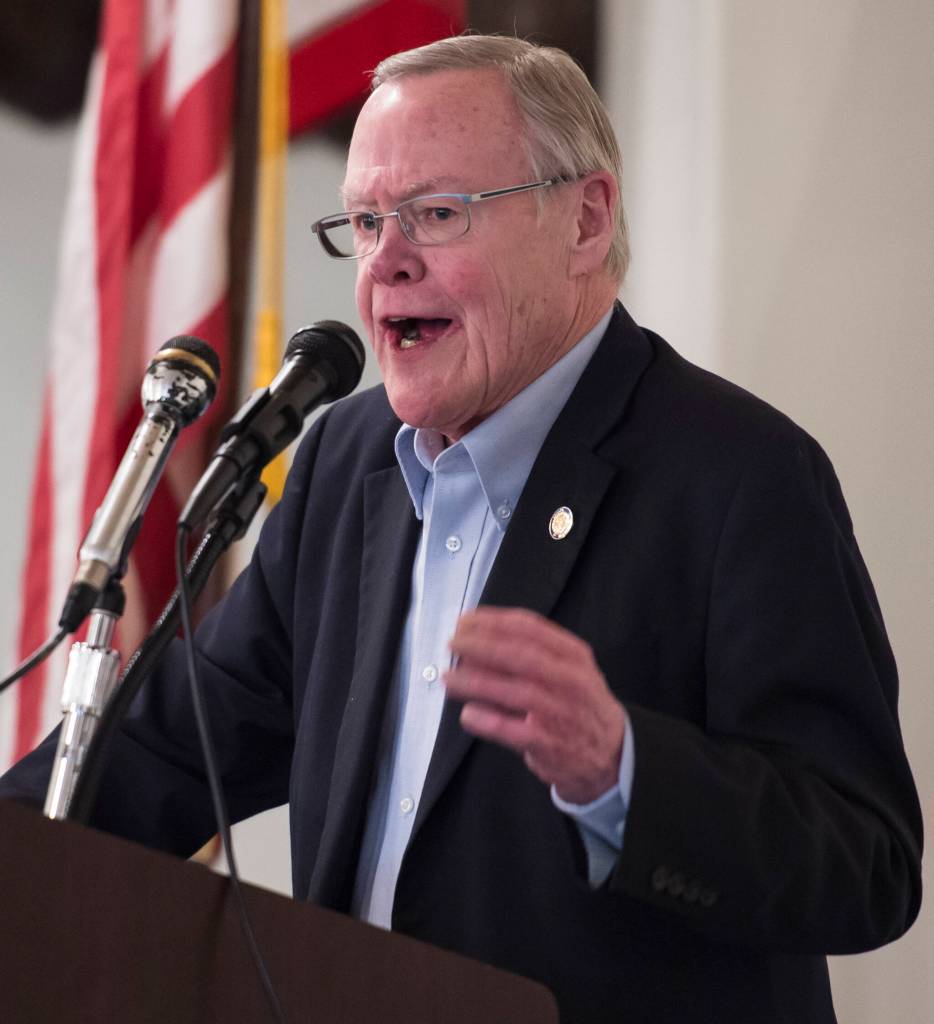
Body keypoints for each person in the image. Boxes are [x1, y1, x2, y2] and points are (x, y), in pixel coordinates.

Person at [1, 34, 922, 1024]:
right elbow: (174, 749)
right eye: (362, 222)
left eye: (435, 214)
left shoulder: (741, 476)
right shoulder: (343, 463)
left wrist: (623, 771)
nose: (385, 262)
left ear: (584, 216)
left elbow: (864, 862)